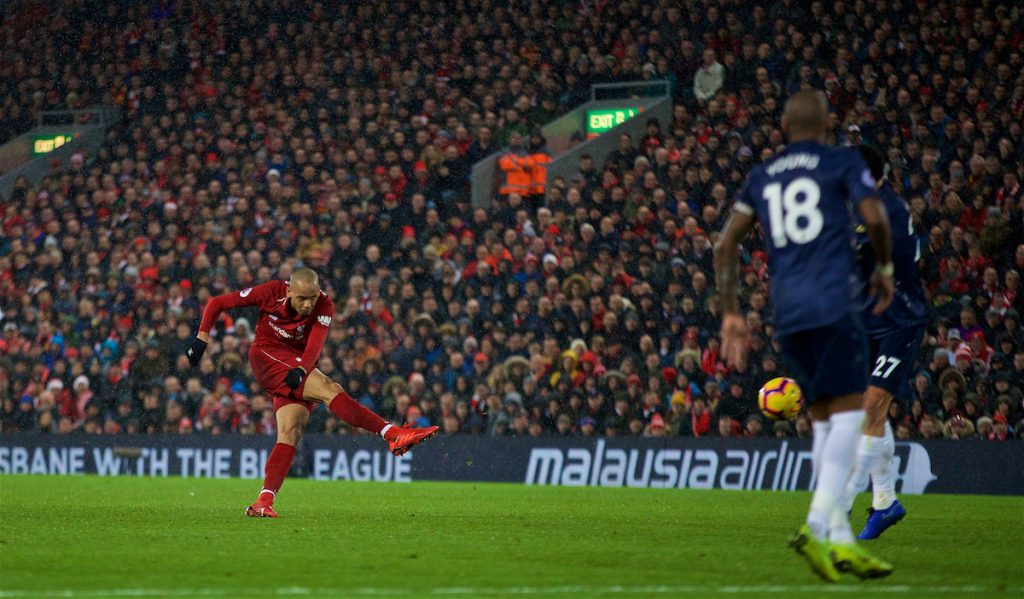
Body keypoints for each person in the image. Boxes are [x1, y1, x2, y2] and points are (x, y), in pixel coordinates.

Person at [714, 91, 895, 582]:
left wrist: (731, 313)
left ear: (784, 124)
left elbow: (726, 245)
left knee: (821, 421)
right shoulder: (840, 162)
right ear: (827, 123)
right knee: (850, 415)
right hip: (833, 301)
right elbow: (875, 217)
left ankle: (840, 541)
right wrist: (883, 266)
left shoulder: (761, 175)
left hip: (787, 310)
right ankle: (817, 526)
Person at [186, 268, 438, 518]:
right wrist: (201, 339)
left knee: (290, 433)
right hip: (266, 355)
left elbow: (315, 346)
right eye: (301, 299)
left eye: (312, 298)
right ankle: (392, 434)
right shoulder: (271, 292)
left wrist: (301, 369)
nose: (307, 305)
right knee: (330, 389)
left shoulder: (325, 305)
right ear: (289, 291)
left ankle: (263, 501)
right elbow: (218, 302)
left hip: (296, 364)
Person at [837, 146, 928, 539]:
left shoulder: (883, 210)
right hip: (867, 320)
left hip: (899, 320)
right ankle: (886, 502)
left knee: (872, 405)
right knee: (868, 411)